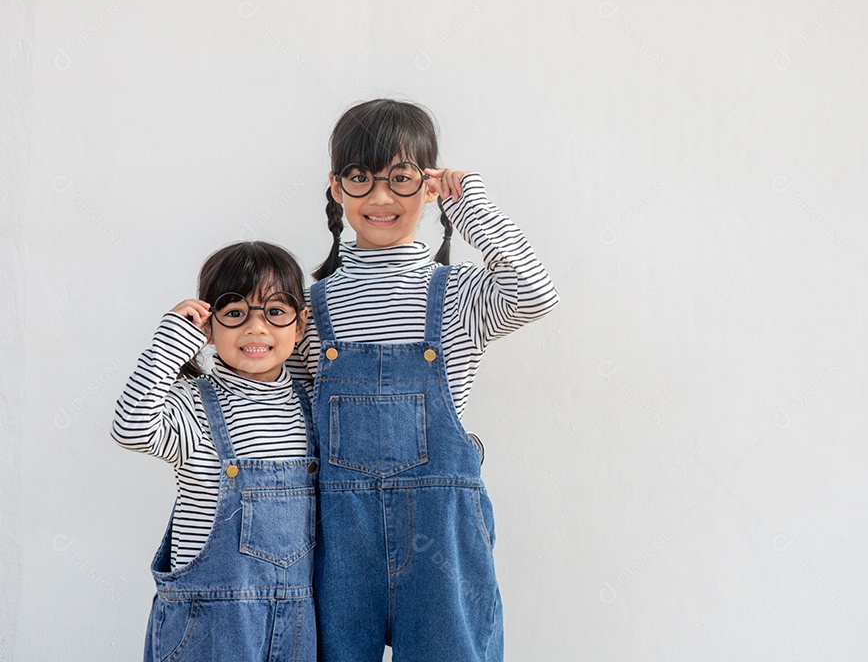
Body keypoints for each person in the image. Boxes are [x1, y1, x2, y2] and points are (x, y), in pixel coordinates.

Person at [291, 99, 559, 661]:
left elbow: (536, 292)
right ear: (336, 188)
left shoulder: (460, 294)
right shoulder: (310, 309)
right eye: (360, 179)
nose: (381, 198)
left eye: (401, 178)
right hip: (339, 540)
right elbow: (291, 427)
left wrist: (471, 207)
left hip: (444, 537)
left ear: (430, 185)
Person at [112, 241, 318, 662]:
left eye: (275, 312)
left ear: (300, 326)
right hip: (208, 629)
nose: (256, 329)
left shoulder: (311, 405)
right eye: (235, 313)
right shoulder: (192, 405)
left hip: (296, 628)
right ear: (208, 327)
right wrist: (172, 338)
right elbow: (130, 426)